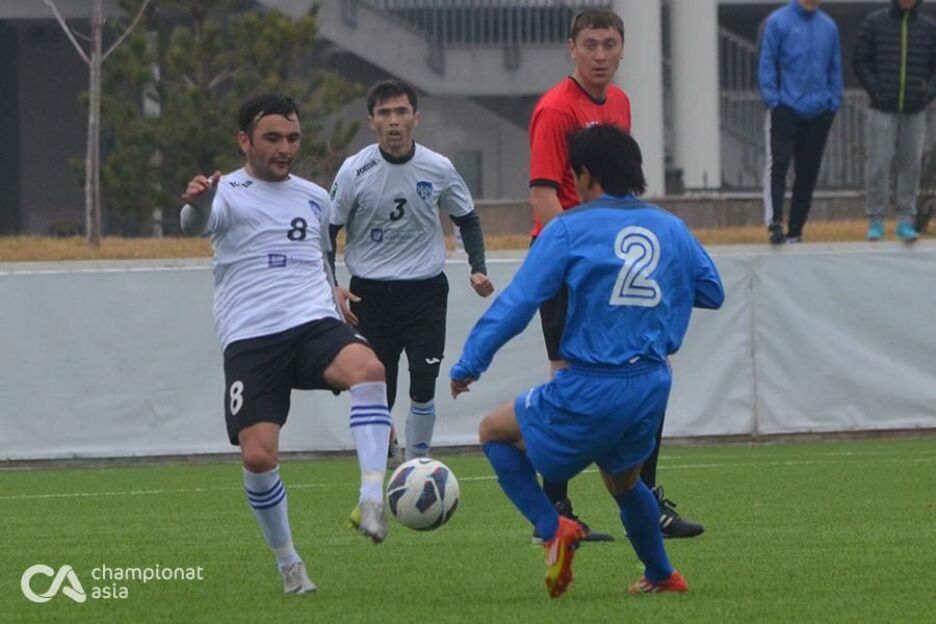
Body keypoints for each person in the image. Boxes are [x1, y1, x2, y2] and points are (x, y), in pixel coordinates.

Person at [451, 124, 725, 598]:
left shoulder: (568, 229)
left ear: (584, 175)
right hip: (651, 384)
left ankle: (552, 527)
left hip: (593, 382)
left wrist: (470, 363)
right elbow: (712, 291)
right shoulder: (671, 228)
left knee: (493, 432)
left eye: (573, 175)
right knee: (624, 480)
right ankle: (662, 574)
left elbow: (519, 302)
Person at [179, 93, 392, 596]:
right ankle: (290, 565)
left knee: (370, 370)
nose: (285, 148)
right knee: (258, 457)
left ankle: (371, 497)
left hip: (311, 322)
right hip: (251, 336)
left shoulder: (314, 197)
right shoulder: (226, 193)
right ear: (244, 141)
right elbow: (196, 224)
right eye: (272, 138)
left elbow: (319, 255)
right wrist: (198, 202)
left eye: (292, 138)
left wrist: (332, 288)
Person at [529, 7, 702, 541]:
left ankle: (648, 505)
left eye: (609, 45)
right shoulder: (555, 109)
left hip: (612, 264)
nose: (600, 55)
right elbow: (542, 197)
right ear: (571, 48)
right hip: (569, 268)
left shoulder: (621, 103)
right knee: (569, 379)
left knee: (648, 370)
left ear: (622, 49)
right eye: (590, 45)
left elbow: (619, 191)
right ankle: (554, 511)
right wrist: (582, 258)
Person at [329, 79, 494, 465]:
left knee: (423, 380)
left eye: (401, 111)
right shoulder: (354, 170)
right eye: (384, 113)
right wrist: (332, 285)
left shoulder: (438, 168)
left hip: (425, 292)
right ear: (371, 121)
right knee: (377, 384)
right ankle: (384, 455)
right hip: (369, 293)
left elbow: (467, 218)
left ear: (415, 118)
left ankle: (418, 465)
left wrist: (478, 267)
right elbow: (328, 230)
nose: (394, 121)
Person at [758, 0, 843, 244]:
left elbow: (834, 66)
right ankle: (774, 223)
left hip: (819, 111)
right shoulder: (777, 22)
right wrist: (773, 100)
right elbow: (767, 61)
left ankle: (796, 230)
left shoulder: (829, 27)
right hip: (785, 108)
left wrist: (833, 102)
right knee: (779, 165)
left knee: (808, 172)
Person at [853, 0, 936, 243]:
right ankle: (876, 221)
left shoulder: (929, 28)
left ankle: (905, 221)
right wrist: (876, 90)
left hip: (915, 110)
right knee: (878, 164)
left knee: (911, 166)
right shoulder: (875, 22)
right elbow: (860, 60)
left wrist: (927, 94)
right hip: (882, 109)